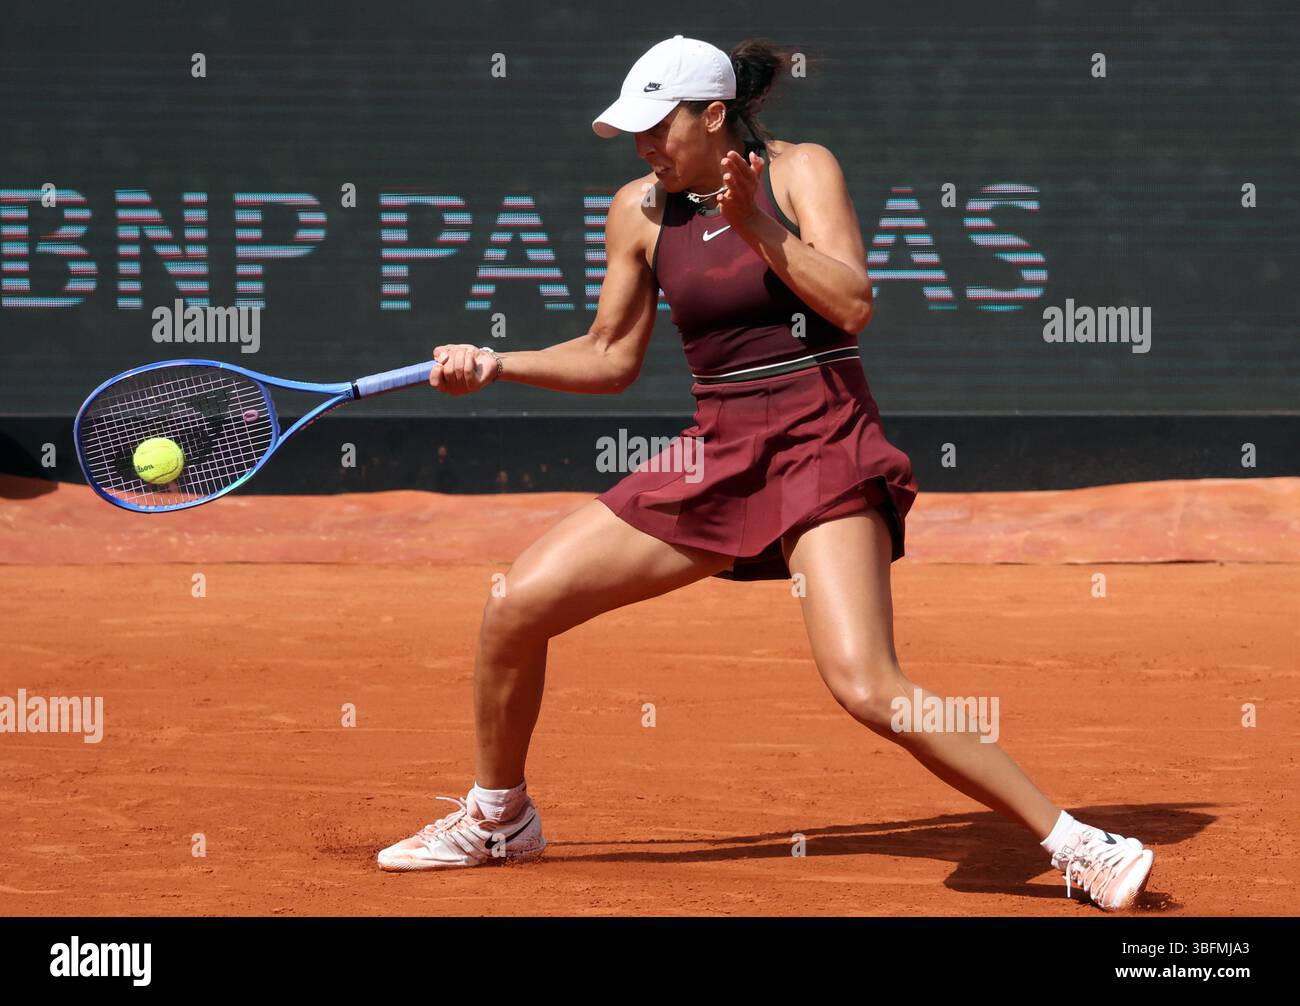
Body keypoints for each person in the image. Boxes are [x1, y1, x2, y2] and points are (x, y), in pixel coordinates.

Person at [376, 34, 1155, 911]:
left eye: (657, 128)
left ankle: (1076, 841)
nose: (643, 147)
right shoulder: (638, 210)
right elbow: (609, 354)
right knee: (515, 606)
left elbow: (853, 303)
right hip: (718, 451)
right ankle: (498, 817)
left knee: (866, 683)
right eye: (633, 132)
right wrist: (498, 363)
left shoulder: (797, 172)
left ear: (713, 116)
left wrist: (753, 221)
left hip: (824, 443)